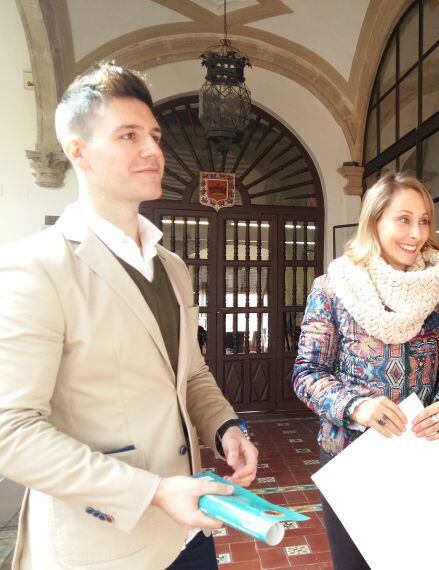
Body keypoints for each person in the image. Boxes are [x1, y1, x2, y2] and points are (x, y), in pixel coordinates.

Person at [0, 63, 259, 569]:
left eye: (155, 136)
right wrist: (154, 491)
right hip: (102, 546)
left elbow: (189, 375)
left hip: (189, 529)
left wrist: (225, 427)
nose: (153, 151)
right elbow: (13, 431)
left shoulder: (173, 267)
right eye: (128, 135)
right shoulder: (36, 266)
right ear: (78, 151)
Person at [292, 173, 439, 569]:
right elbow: (307, 373)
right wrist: (356, 406)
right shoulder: (333, 287)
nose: (416, 233)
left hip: (419, 457)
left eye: (424, 220)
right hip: (352, 461)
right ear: (374, 222)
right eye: (403, 219)